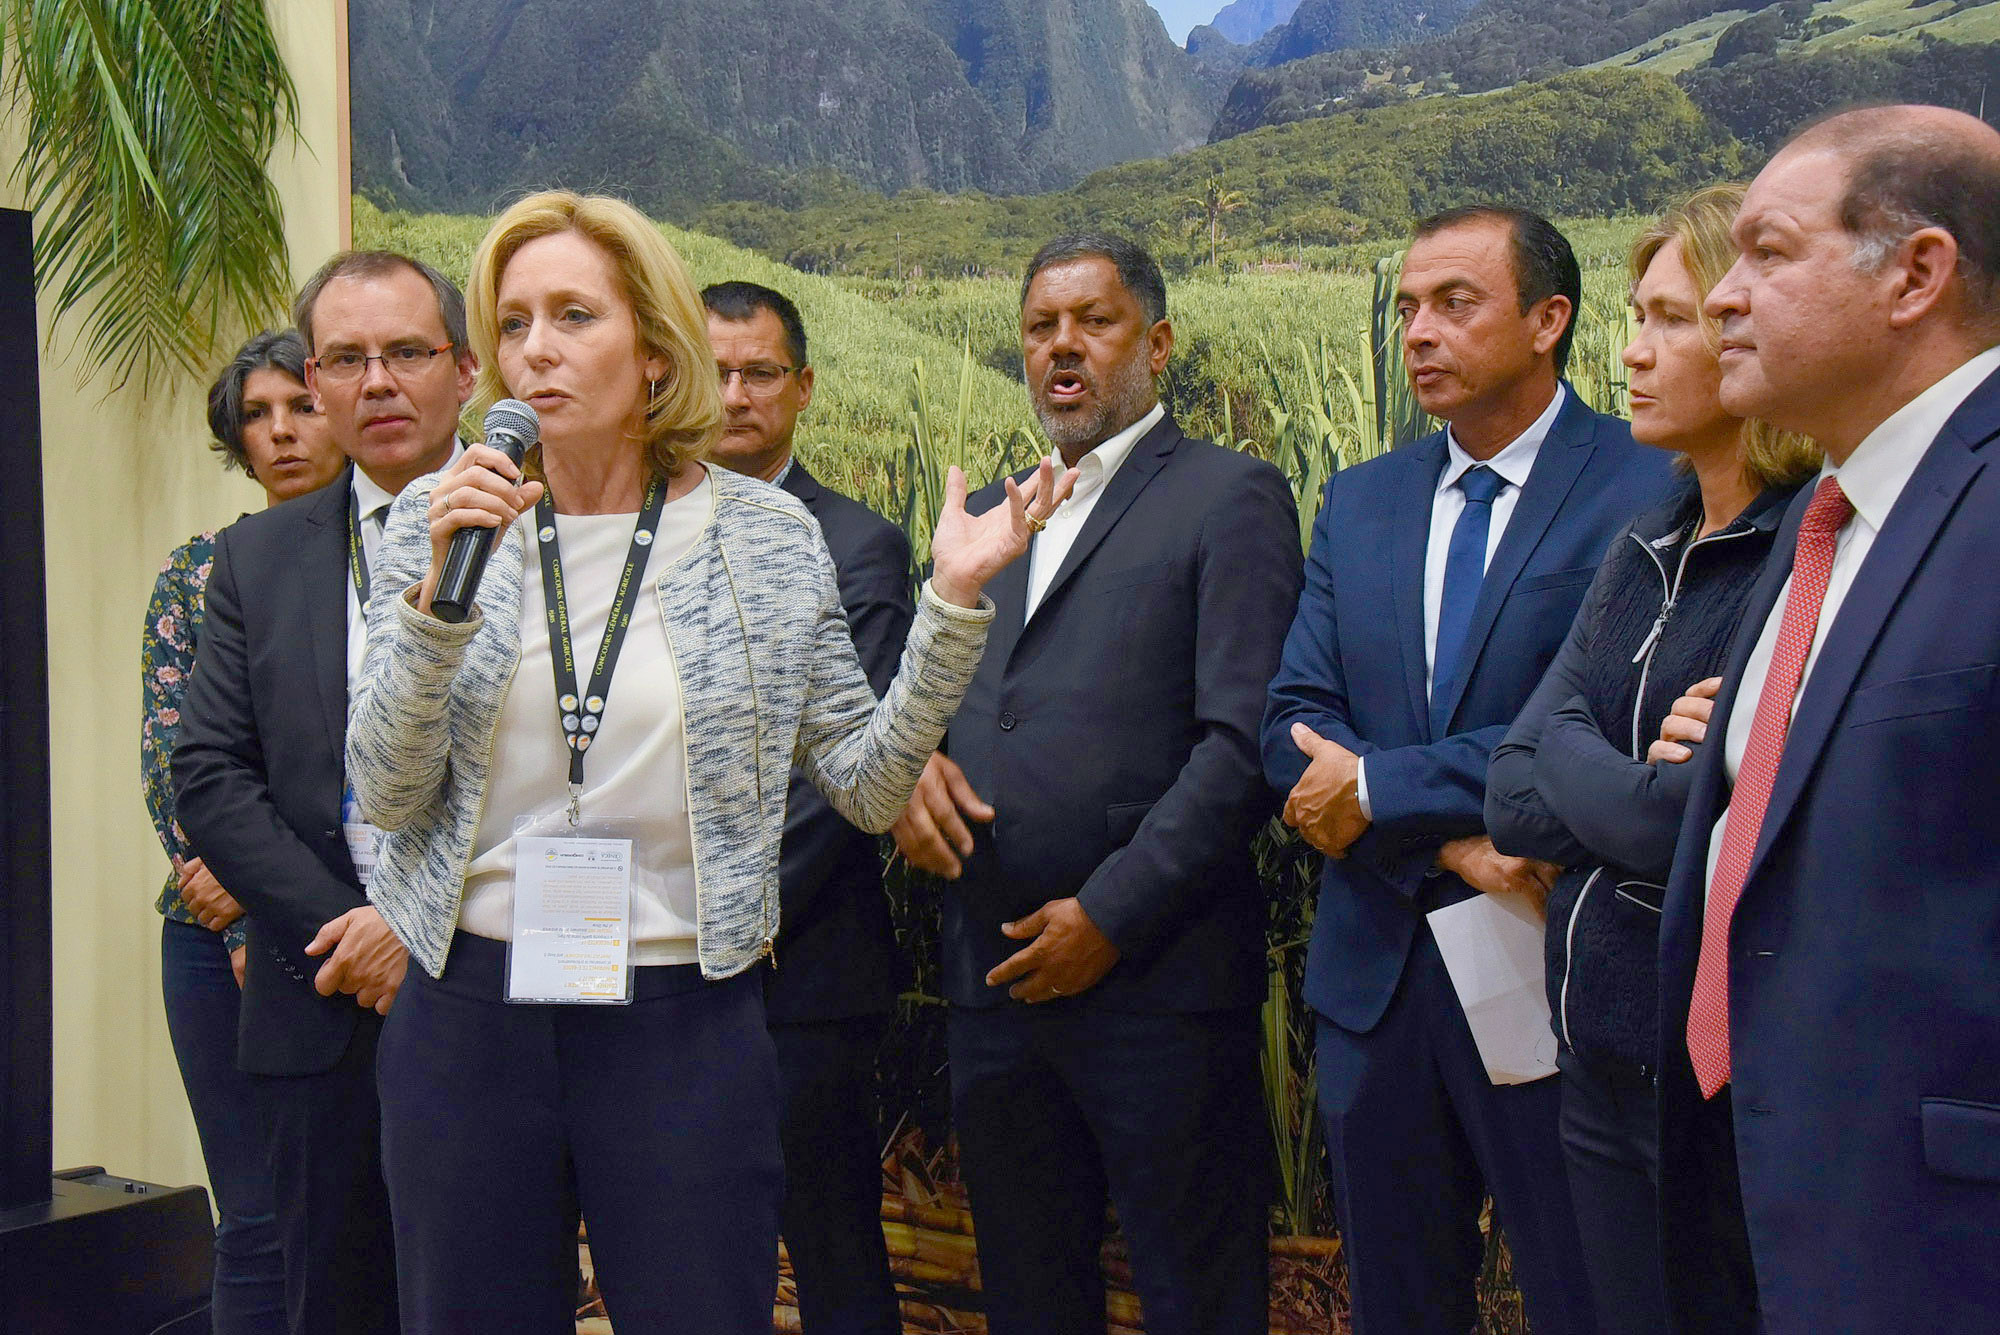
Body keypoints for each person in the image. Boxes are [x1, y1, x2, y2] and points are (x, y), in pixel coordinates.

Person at [340, 190, 1068, 1335]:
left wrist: (949, 604)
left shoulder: (763, 537)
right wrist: (438, 603)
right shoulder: (441, 521)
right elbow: (386, 789)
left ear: (652, 347)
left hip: (682, 1013)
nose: (536, 350)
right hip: (471, 1009)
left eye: (573, 315)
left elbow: (868, 785)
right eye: (513, 322)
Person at [1261, 206, 1674, 1335]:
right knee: (1397, 1303)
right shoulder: (1361, 498)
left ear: (1548, 320)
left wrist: (1379, 790)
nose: (1417, 332)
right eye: (1406, 307)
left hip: (1552, 958)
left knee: (1586, 1293)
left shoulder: (1646, 484)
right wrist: (1447, 842)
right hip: (1376, 979)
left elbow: (1600, 724)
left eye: (1454, 302)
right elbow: (1292, 721)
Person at [891, 233, 1302, 1335]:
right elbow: (932, 697)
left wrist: (1110, 916)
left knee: (1194, 1294)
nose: (1062, 345)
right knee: (1029, 1295)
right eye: (1040, 327)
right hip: (994, 982)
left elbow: (1242, 742)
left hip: (1157, 984)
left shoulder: (1228, 495)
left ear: (1156, 345)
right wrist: (915, 763)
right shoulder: (988, 517)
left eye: (1094, 321)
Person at [1646, 106, 2000, 1334]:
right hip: (1764, 1204)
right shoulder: (1825, 524)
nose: (1721, 295)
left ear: (1914, 274)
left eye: (1767, 251)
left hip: (1935, 1246)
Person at [1480, 185, 1818, 1335]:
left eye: (1670, 320)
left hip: (1707, 1085)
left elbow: (1674, 825)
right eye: (1636, 317)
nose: (1629, 351)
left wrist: (1576, 748)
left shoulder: (1797, 553)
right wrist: (1626, 766)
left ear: (1747, 329)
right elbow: (1509, 793)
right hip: (1596, 1054)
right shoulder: (1645, 541)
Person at [174, 251, 476, 1335]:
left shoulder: (547, 529)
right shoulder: (257, 557)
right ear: (316, 377)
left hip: (488, 991)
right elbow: (209, 772)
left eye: (406, 351)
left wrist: (415, 923)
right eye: (346, 358)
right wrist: (349, 925)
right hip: (322, 994)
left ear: (464, 369)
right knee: (332, 1303)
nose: (377, 380)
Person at [703, 278, 910, 1335]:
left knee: (832, 1244)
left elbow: (839, 774)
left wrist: (703, 907)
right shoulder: (640, 532)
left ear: (803, 387)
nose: (735, 395)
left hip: (803, 971)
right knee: (690, 1249)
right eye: (714, 373)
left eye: (760, 373)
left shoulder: (858, 544)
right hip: (653, 971)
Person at [143, 329, 344, 1335]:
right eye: (256, 416)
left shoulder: (403, 552)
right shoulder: (198, 570)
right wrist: (237, 913)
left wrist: (278, 896)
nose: (281, 433)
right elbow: (175, 762)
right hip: (209, 930)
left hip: (348, 928)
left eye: (300, 407)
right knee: (255, 1221)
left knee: (360, 1213)